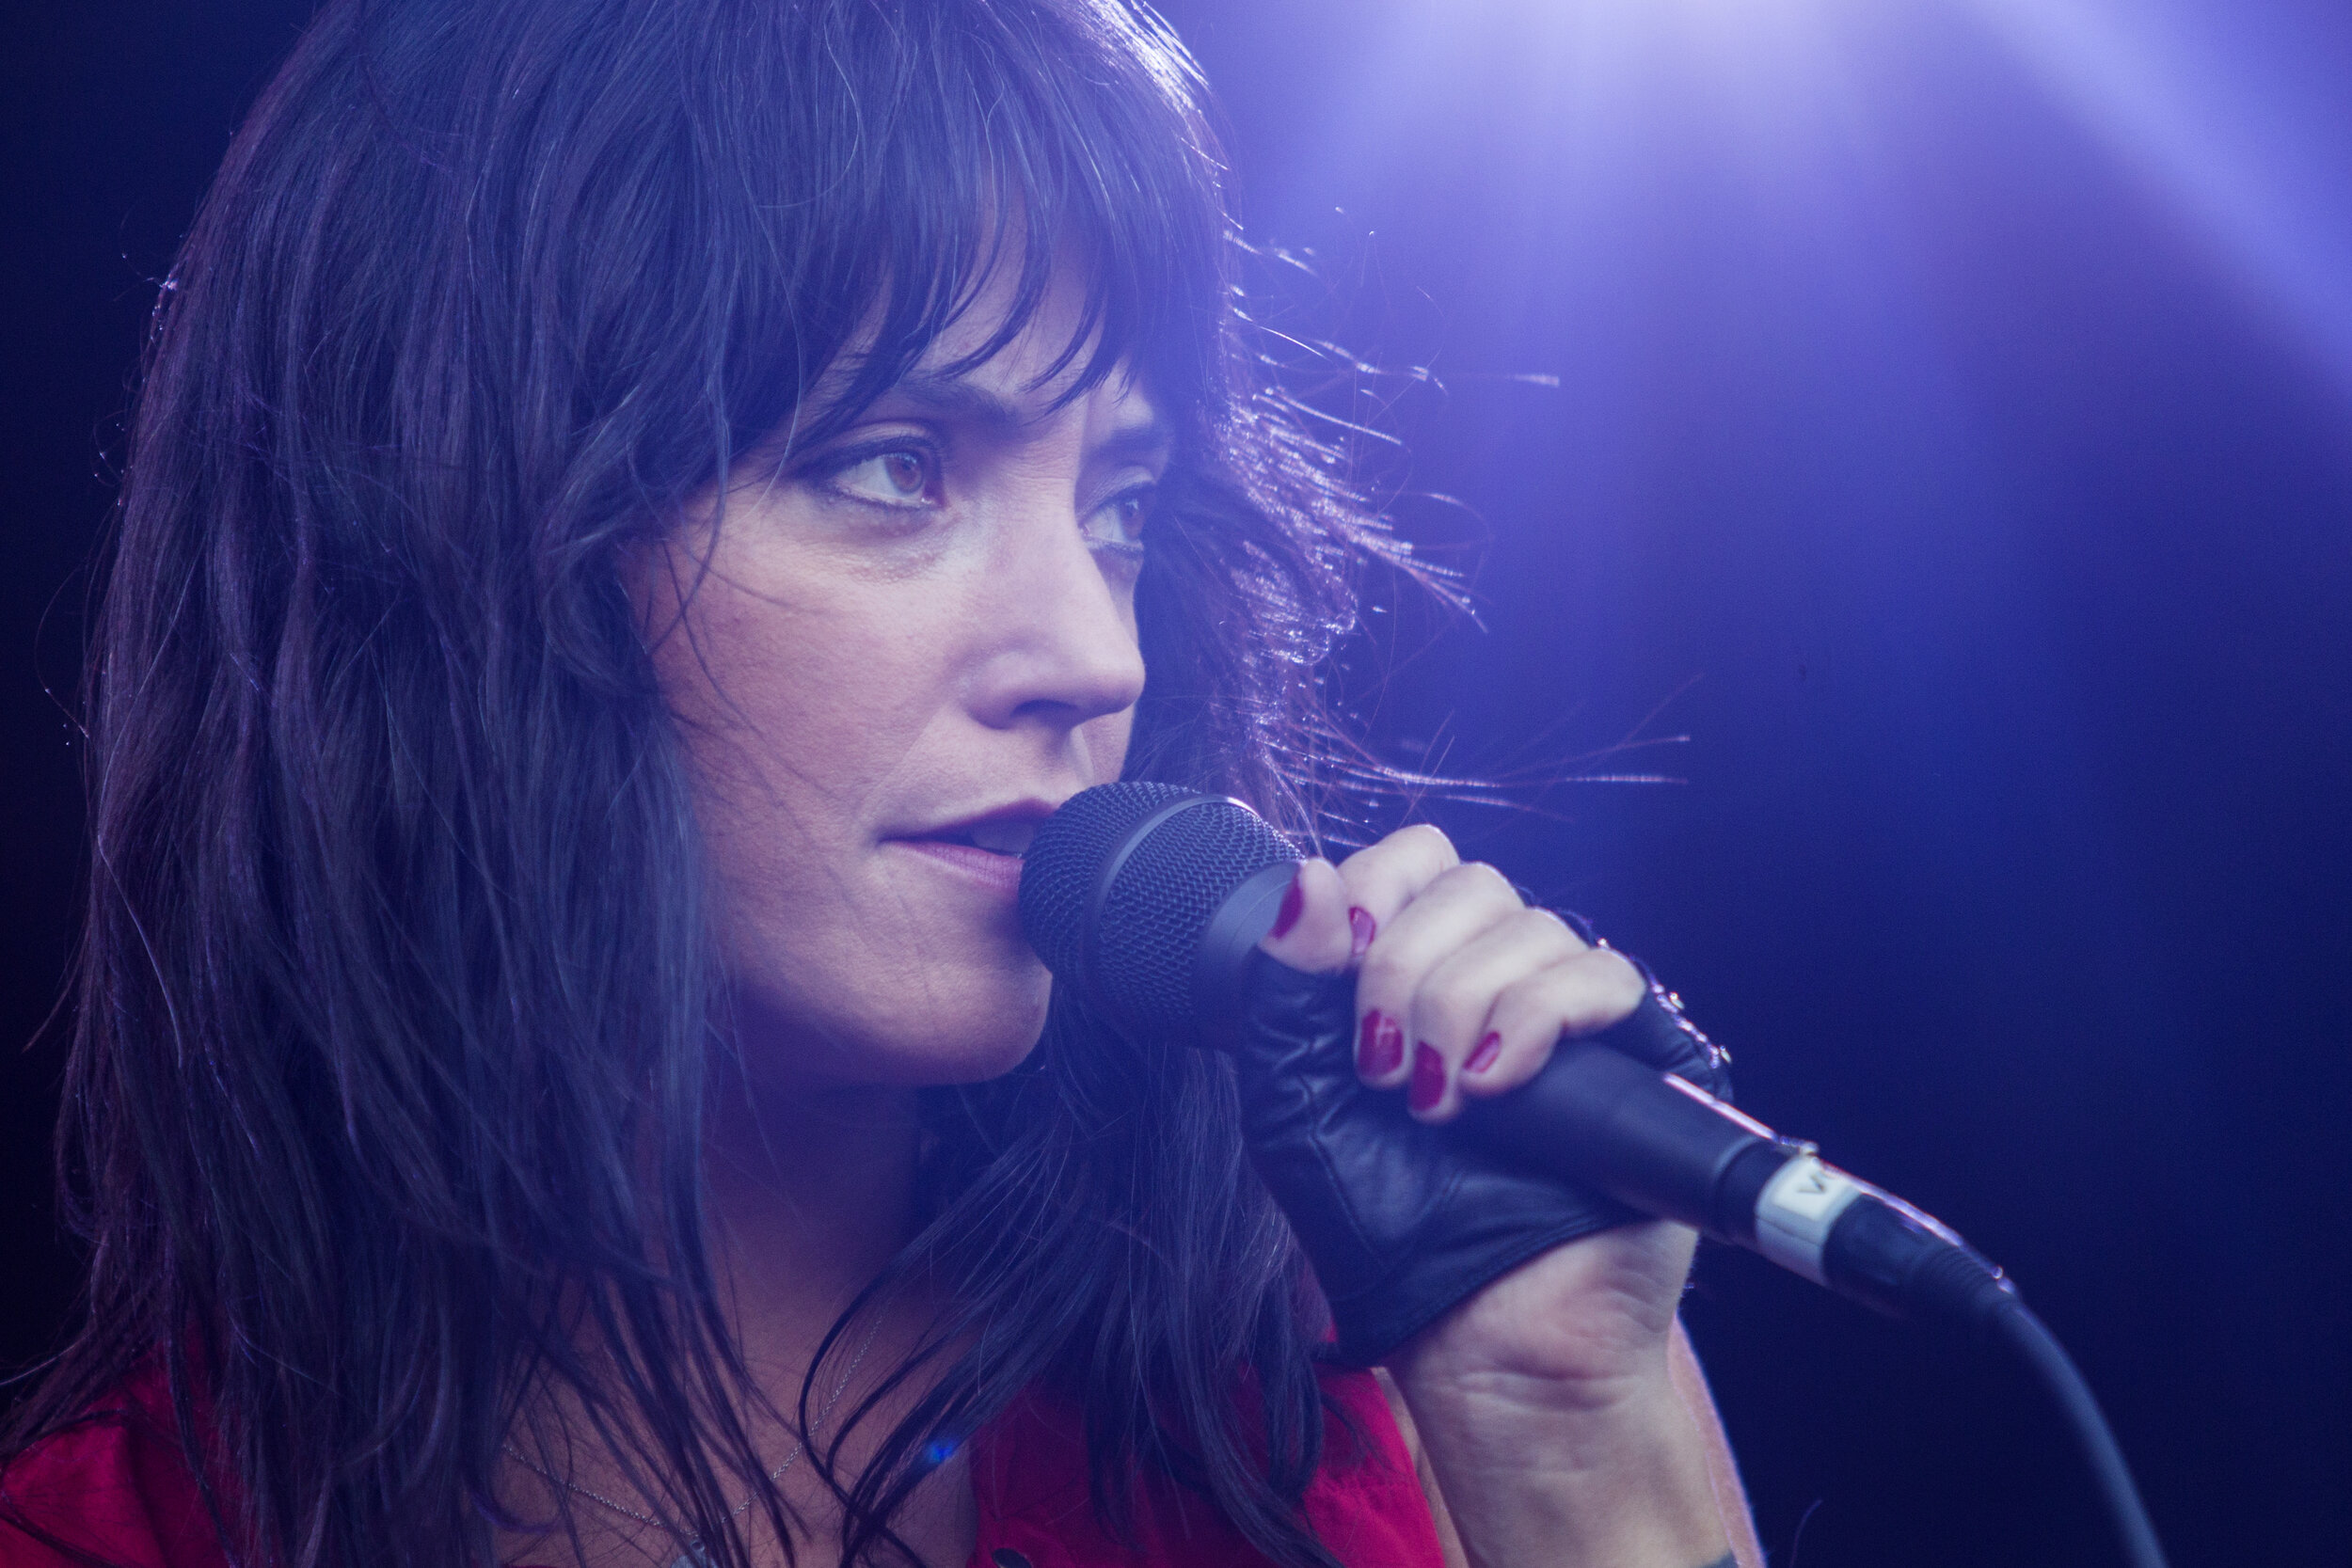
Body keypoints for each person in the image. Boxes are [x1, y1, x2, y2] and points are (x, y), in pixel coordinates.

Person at [0, 1, 1767, 1565]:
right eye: (895, 466)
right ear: (460, 548)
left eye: (1121, 511)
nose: (1098, 655)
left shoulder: (1317, 1435)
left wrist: (1579, 1447)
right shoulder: (105, 1536)